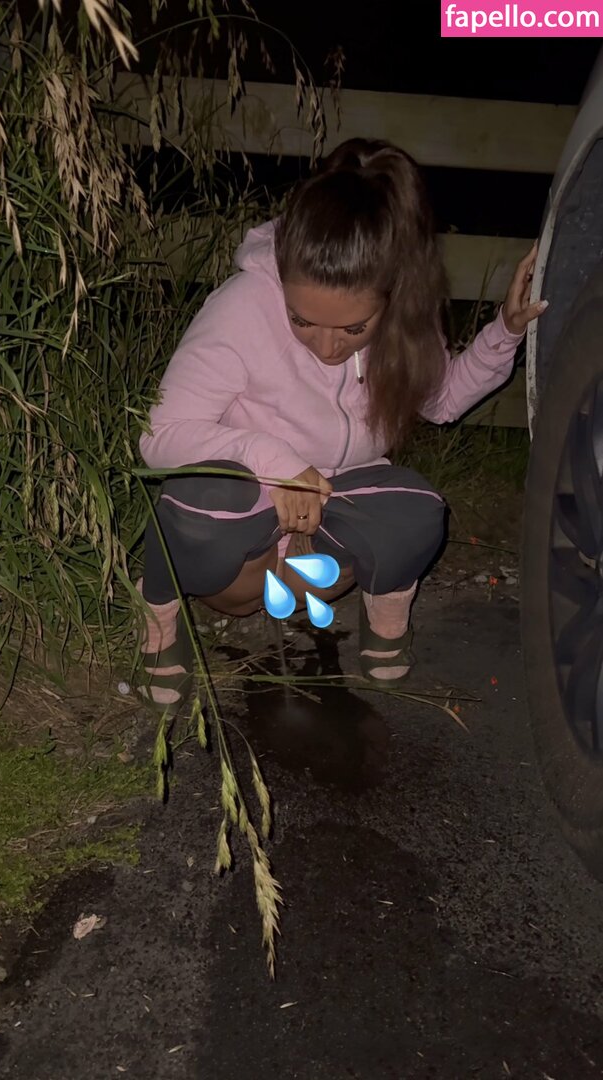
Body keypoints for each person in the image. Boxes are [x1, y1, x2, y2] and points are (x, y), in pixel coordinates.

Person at [136, 137, 547, 712]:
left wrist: (506, 331)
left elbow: (443, 401)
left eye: (353, 330)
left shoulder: (405, 317)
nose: (327, 347)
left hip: (328, 535)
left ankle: (385, 612)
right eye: (302, 320)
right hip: (240, 544)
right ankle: (159, 613)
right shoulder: (243, 305)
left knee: (418, 511)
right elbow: (158, 434)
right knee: (201, 502)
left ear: (392, 295)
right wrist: (275, 464)